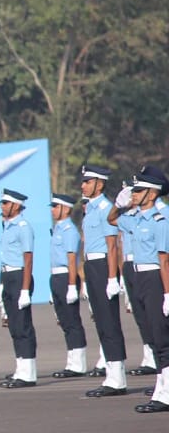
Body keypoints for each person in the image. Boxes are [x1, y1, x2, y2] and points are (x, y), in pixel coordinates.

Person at [108, 171, 169, 412]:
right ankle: (161, 387)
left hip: (156, 277)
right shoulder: (137, 219)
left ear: (152, 193)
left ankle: (165, 394)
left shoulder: (161, 219)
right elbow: (112, 220)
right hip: (139, 276)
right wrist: (118, 203)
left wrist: (167, 293)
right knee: (152, 335)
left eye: (137, 190)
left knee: (162, 337)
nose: (133, 194)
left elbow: (164, 260)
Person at [78, 164, 125, 385]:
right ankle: (110, 372)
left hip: (103, 265)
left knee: (109, 321)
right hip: (92, 266)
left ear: (99, 183)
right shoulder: (90, 210)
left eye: (87, 182)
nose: (83, 185)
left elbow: (112, 246)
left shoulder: (106, 208)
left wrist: (112, 278)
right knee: (100, 321)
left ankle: (117, 377)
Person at [0, 189, 39, 389]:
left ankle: (28, 372)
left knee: (23, 326)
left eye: (5, 203)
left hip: (19, 276)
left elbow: (28, 259)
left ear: (15, 205)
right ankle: (20, 368)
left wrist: (24, 289)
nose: (2, 206)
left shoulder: (23, 227)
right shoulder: (7, 226)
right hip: (8, 276)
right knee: (14, 326)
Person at [49, 194, 89, 378]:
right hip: (57, 277)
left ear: (65, 209)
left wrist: (73, 285)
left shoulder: (69, 231)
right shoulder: (58, 229)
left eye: (56, 206)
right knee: (64, 322)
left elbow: (72, 260)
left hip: (67, 277)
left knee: (72, 321)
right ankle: (71, 361)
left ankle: (78, 363)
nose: (53, 209)